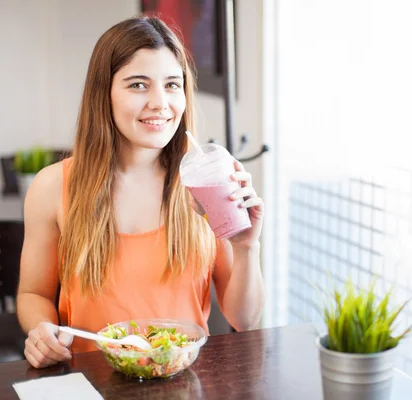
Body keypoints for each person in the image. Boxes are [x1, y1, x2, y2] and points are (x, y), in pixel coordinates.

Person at [15, 15, 265, 369]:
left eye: (172, 85)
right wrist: (42, 329)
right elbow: (33, 294)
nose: (161, 103)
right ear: (104, 94)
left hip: (183, 381)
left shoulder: (209, 183)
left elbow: (246, 319)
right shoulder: (51, 187)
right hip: (91, 380)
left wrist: (246, 247)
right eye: (138, 85)